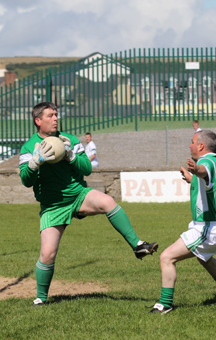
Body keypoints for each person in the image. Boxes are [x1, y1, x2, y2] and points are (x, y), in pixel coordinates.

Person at [19, 102, 158, 306]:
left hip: (78, 195)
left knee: (108, 201)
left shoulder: (70, 140)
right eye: (50, 115)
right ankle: (41, 298)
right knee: (48, 254)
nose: (56, 118)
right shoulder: (29, 147)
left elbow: (86, 169)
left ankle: (137, 245)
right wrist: (34, 163)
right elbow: (25, 180)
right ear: (38, 121)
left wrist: (71, 156)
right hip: (53, 206)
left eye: (56, 114)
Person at [150, 130, 216, 314]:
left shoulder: (206, 162)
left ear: (201, 146)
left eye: (192, 142)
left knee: (167, 257)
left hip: (209, 227)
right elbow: (206, 181)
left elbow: (203, 171)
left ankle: (165, 304)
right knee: (204, 257)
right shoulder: (215, 162)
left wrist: (196, 169)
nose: (189, 145)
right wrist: (192, 177)